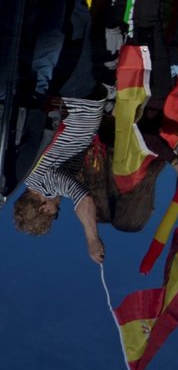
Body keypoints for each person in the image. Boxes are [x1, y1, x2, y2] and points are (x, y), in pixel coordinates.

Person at [12, 97, 106, 263]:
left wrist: (92, 239)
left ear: (43, 209)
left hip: (83, 100)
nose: (58, 207)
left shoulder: (44, 184)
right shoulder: (27, 174)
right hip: (78, 98)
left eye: (55, 214)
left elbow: (83, 198)